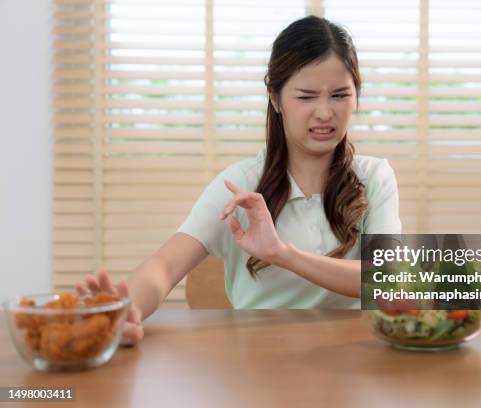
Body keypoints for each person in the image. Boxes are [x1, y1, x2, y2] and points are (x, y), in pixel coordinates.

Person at [75, 15, 401, 346]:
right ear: (275, 99)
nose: (324, 112)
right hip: (257, 365)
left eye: (340, 95)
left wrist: (283, 254)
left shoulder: (375, 178)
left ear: (356, 95)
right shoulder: (240, 185)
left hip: (353, 361)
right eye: (305, 97)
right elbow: (164, 265)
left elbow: (388, 279)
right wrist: (123, 311)